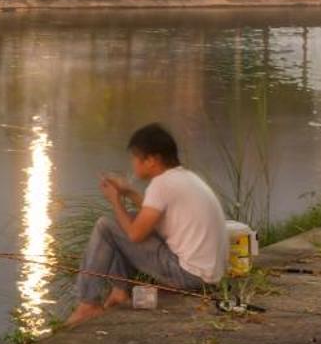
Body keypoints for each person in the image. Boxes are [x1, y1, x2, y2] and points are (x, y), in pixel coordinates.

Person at [66, 123, 227, 325]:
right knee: (128, 219)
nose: (133, 163)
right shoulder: (184, 177)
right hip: (207, 275)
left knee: (105, 226)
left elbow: (135, 236)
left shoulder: (161, 184)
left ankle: (87, 304)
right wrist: (130, 192)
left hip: (189, 276)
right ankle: (120, 292)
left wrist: (115, 200)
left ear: (152, 160)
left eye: (135, 157)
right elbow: (152, 215)